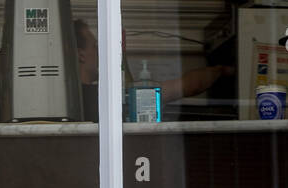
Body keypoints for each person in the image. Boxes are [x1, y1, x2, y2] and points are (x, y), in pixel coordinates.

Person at [73, 19, 234, 121]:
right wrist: (222, 70)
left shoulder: (77, 99)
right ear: (81, 55)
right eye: (95, 46)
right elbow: (191, 86)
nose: (100, 51)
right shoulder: (98, 98)